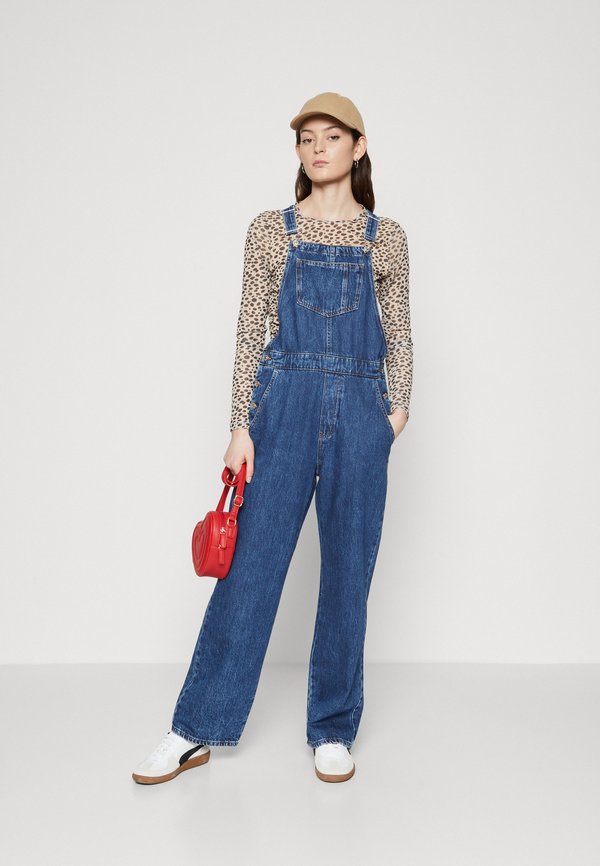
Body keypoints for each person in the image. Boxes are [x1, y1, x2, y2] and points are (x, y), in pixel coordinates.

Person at [132, 91, 413, 785]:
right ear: (297, 151)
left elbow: (400, 332)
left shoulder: (386, 238)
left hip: (361, 411)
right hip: (282, 406)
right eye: (306, 138)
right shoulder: (270, 230)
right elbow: (249, 328)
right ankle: (195, 728)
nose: (318, 148)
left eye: (332, 136)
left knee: (347, 573)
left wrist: (394, 415)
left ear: (358, 146)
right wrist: (240, 425)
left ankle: (332, 728)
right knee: (251, 568)